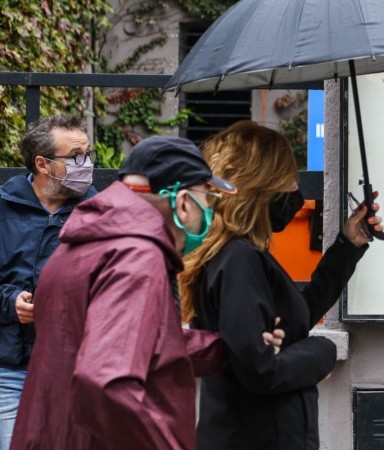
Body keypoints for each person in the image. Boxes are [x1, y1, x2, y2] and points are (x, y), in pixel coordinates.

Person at [10, 136, 254, 449]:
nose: (209, 212)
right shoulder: (137, 257)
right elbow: (106, 380)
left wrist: (231, 347)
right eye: (208, 199)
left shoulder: (81, 245)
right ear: (183, 203)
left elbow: (137, 341)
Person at [179, 120, 382, 449]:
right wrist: (323, 352)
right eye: (289, 179)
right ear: (262, 186)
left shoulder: (241, 254)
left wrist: (348, 245)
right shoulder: (238, 259)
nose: (295, 191)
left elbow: (295, 318)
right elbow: (259, 369)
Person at [0, 115, 97, 450]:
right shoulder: (3, 208)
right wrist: (10, 303)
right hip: (10, 371)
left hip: (77, 369)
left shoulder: (99, 212)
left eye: (88, 154)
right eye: (75, 157)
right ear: (42, 164)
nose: (86, 165)